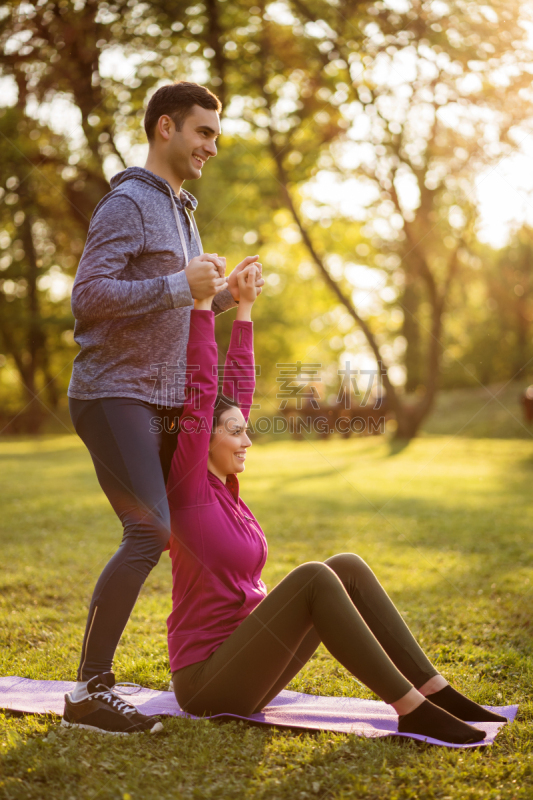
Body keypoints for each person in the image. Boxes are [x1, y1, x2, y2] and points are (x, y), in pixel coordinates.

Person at [166, 266, 507, 745]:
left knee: (343, 565)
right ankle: (410, 709)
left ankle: (435, 691)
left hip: (252, 656)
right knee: (312, 576)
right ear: (203, 438)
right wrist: (202, 306)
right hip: (207, 681)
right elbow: (204, 391)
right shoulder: (187, 490)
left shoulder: (227, 490)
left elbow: (234, 388)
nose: (248, 441)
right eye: (235, 432)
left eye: (246, 429)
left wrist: (244, 307)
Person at [62, 81, 264, 735]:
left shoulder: (183, 210)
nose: (212, 144)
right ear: (165, 129)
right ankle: (88, 693)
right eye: (203, 131)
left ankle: (216, 652)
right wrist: (181, 283)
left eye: (215, 132)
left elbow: (173, 311)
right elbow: (88, 296)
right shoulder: (127, 202)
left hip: (164, 397)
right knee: (147, 529)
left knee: (170, 527)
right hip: (112, 391)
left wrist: (225, 295)